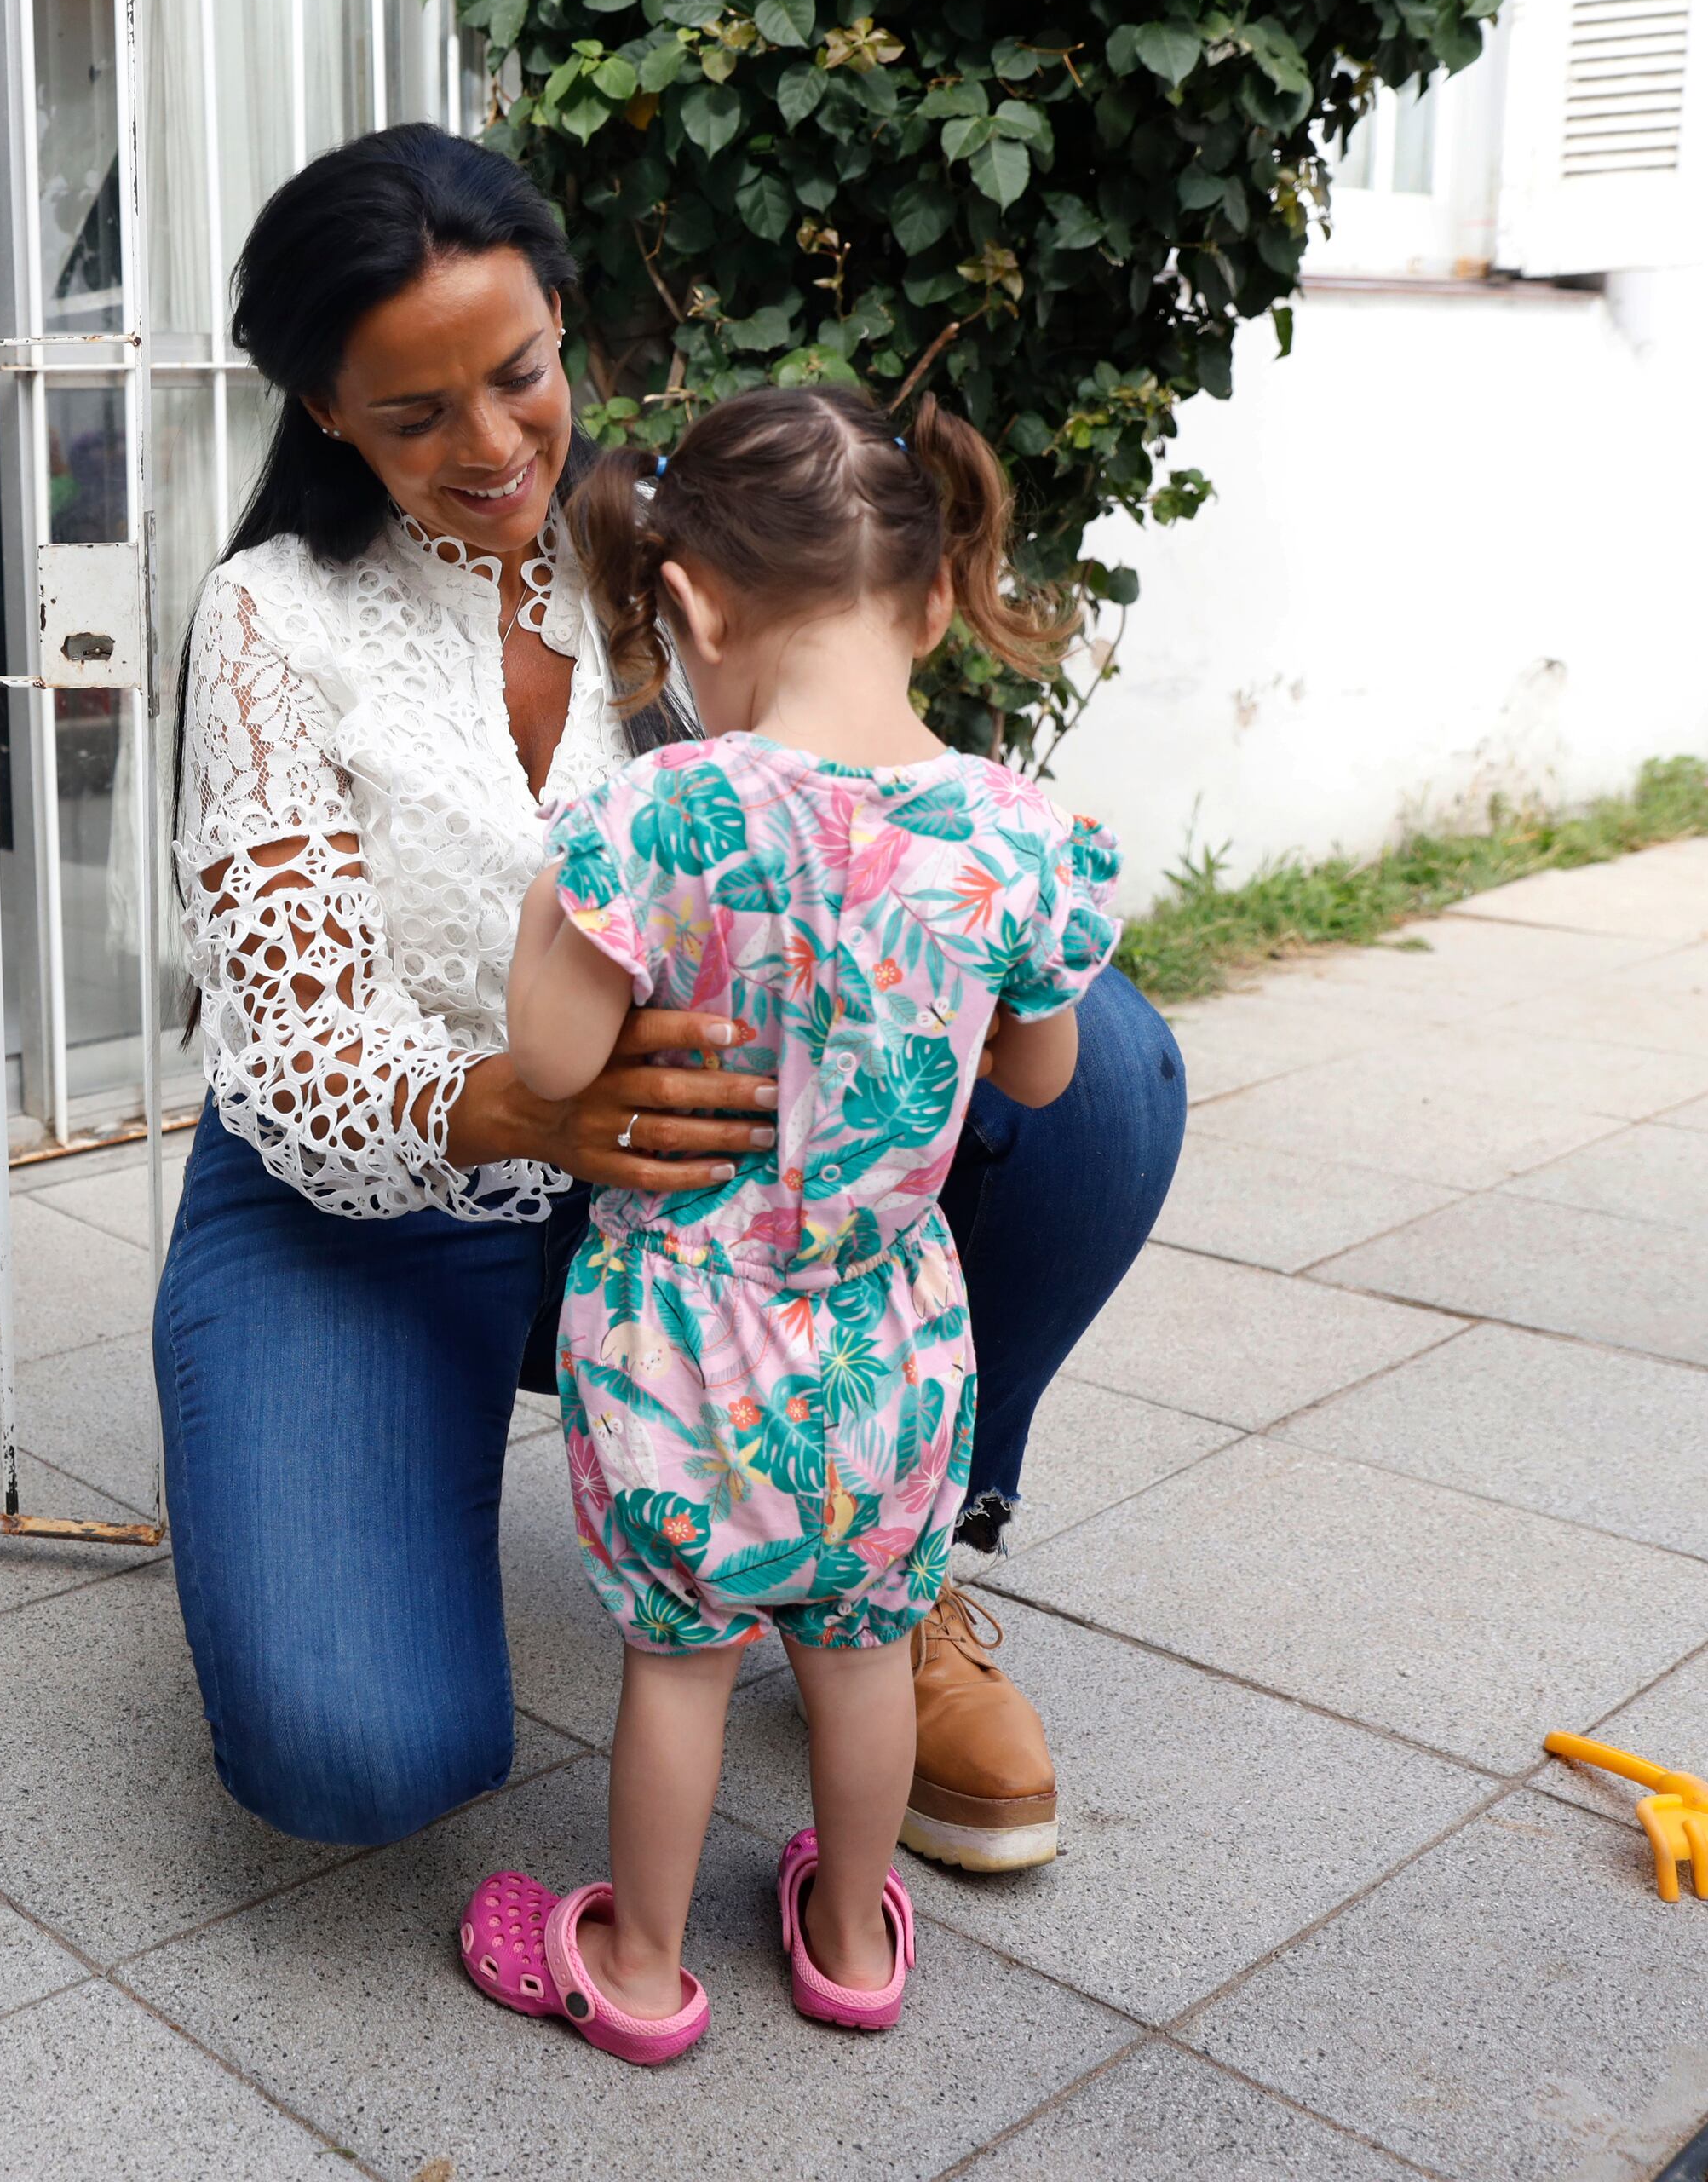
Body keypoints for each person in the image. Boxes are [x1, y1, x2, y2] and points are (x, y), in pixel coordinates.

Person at [155, 124, 1184, 1865]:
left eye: (521, 376)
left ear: (565, 321)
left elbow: (859, 750)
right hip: (383, 1195)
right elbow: (301, 1044)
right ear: (326, 410)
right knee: (359, 1756)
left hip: (724, 1195)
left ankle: (892, 1559)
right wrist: (533, 1104)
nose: (491, 449)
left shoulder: (658, 544)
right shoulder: (271, 619)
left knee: (1101, 1074)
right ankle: (322, 1458)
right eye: (414, 414)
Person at [456, 384, 1120, 2058]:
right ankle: (846, 1939)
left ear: (689, 606)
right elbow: (1037, 1074)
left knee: (680, 1664)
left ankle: (644, 1970)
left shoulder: (653, 820)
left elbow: (552, 1059)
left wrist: (560, 884)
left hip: (681, 1330)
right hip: (895, 1330)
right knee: (865, 1650)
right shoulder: (1015, 838)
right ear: (940, 595)